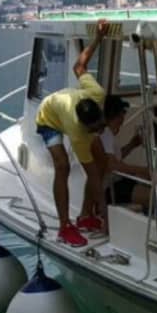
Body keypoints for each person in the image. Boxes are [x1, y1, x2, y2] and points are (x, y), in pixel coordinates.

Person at [35, 18, 108, 246]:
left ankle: (86, 216)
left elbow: (79, 67)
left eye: (101, 125)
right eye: (95, 129)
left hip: (64, 109)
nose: (100, 130)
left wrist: (98, 37)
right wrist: (108, 218)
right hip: (48, 118)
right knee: (63, 166)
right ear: (86, 127)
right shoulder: (78, 133)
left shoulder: (96, 93)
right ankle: (65, 226)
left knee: (102, 160)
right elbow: (93, 177)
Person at [92, 95, 147, 206]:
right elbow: (112, 165)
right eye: (122, 113)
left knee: (148, 182)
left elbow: (114, 157)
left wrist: (132, 145)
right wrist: (143, 170)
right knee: (155, 193)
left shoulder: (106, 134)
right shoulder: (105, 134)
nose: (123, 119)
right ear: (116, 115)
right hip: (109, 188)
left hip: (115, 182)